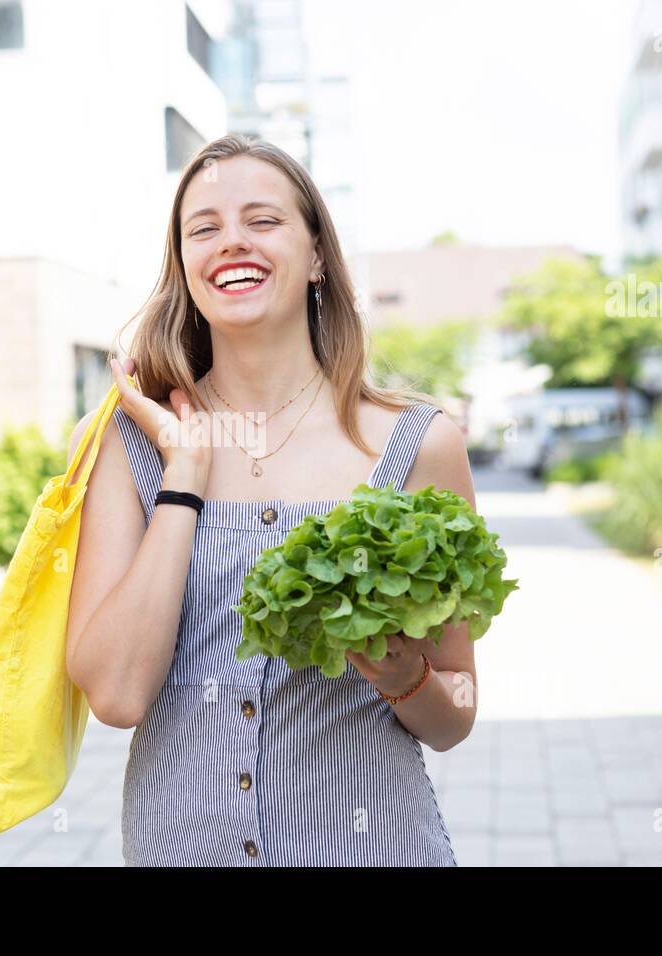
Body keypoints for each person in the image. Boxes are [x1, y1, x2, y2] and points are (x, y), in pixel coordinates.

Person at [64, 132, 478, 866]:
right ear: (184, 265)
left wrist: (403, 678)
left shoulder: (418, 445)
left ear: (317, 256)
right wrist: (184, 480)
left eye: (262, 221)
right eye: (204, 228)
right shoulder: (127, 448)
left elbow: (455, 715)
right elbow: (118, 696)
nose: (231, 243)